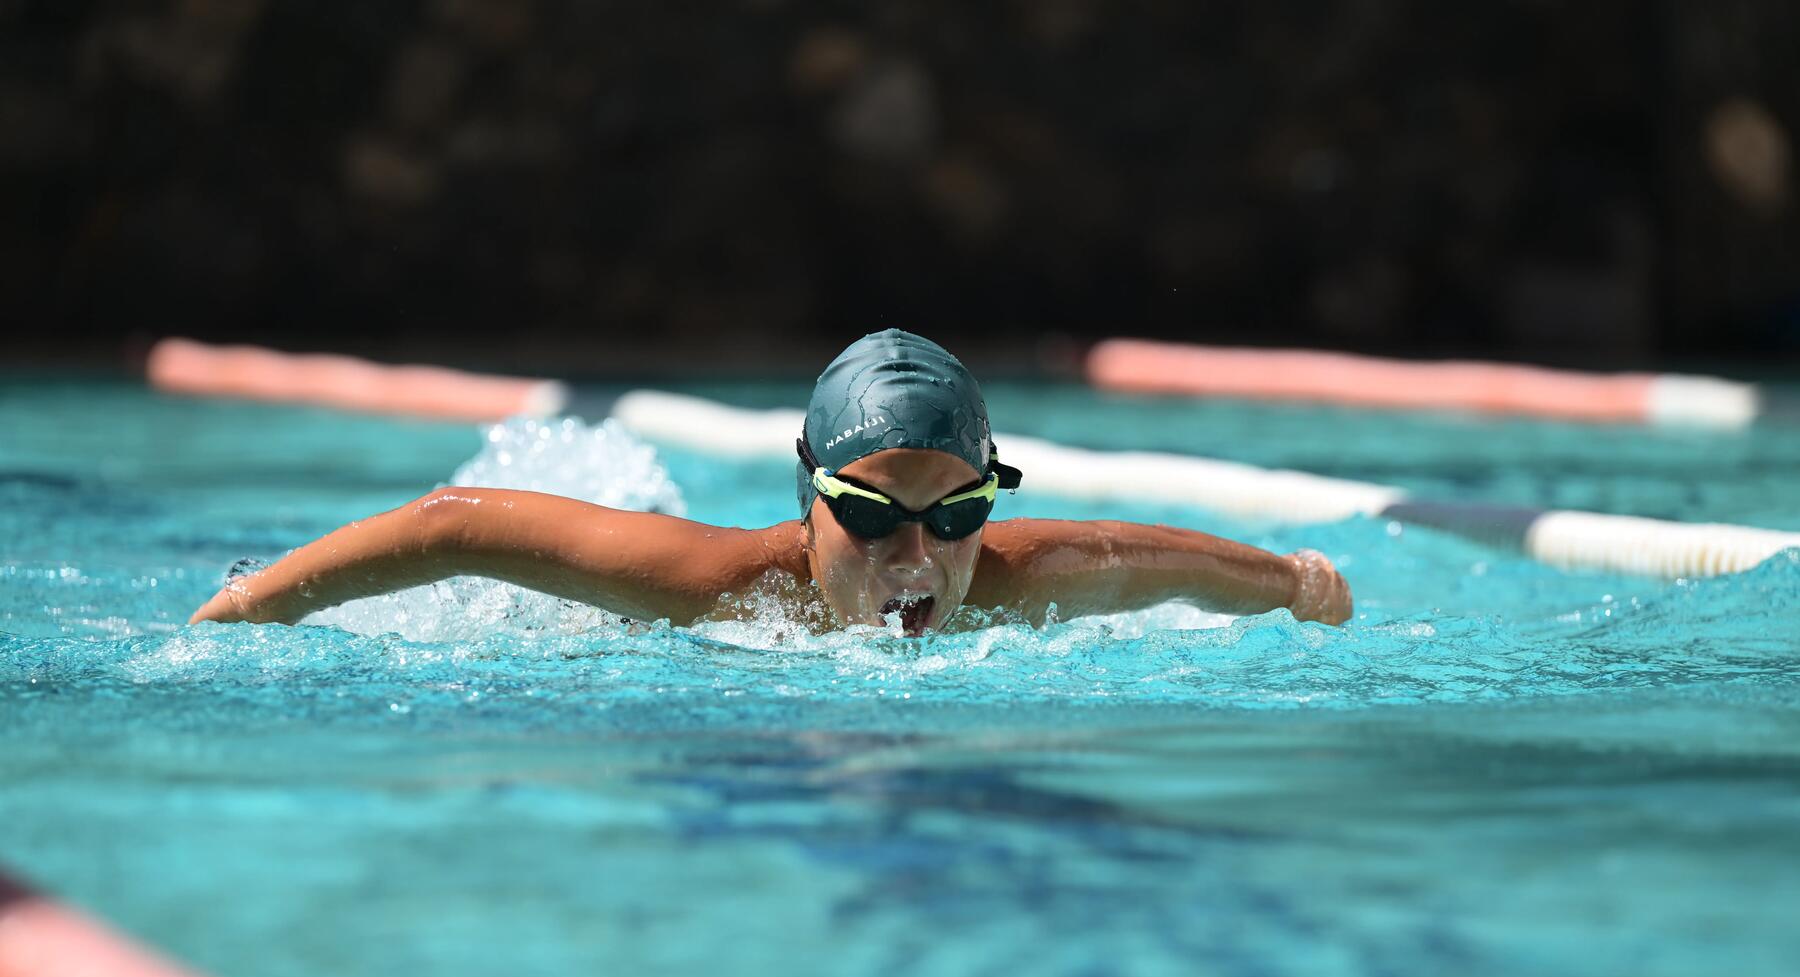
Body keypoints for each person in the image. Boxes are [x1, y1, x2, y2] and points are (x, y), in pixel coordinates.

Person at [189, 330, 1351, 634]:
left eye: (956, 513)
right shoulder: (710, 586)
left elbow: (1161, 558)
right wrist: (254, 601)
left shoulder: (1008, 581)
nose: (916, 556)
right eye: (869, 514)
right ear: (809, 497)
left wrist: (1296, 579)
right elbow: (450, 530)